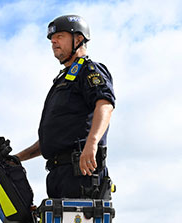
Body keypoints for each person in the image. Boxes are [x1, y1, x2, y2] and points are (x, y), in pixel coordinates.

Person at [15, 14, 115, 200]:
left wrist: (91, 143)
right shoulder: (64, 79)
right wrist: (18, 158)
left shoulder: (89, 70)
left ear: (78, 39)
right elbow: (54, 139)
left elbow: (105, 104)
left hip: (81, 174)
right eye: (52, 38)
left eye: (59, 36)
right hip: (57, 174)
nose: (53, 41)